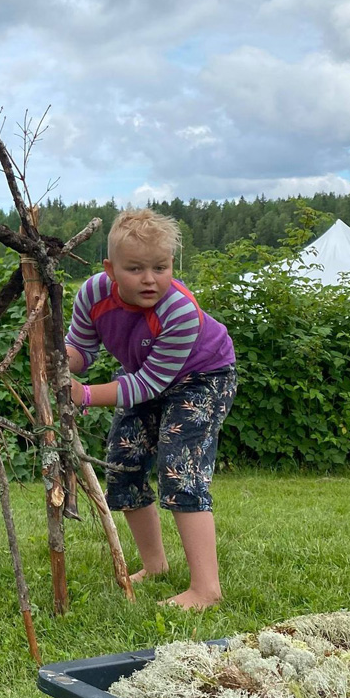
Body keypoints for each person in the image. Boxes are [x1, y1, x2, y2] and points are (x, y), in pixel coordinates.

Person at [65, 208, 237, 609]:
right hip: (147, 377)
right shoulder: (93, 294)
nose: (150, 279)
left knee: (180, 467)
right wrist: (55, 358)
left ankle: (206, 589)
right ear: (110, 269)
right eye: (136, 268)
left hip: (203, 377)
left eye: (161, 267)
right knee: (122, 461)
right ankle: (155, 565)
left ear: (171, 265)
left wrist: (85, 395)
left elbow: (149, 385)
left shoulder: (177, 310)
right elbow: (81, 350)